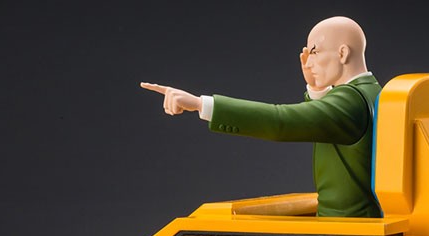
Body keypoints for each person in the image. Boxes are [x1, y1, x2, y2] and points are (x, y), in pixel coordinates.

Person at [141, 16, 382, 218]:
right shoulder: (370, 92)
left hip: (348, 231)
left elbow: (280, 122)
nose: (309, 62)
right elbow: (325, 125)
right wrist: (317, 89)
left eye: (315, 52)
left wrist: (199, 104)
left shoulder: (351, 102)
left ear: (342, 53)